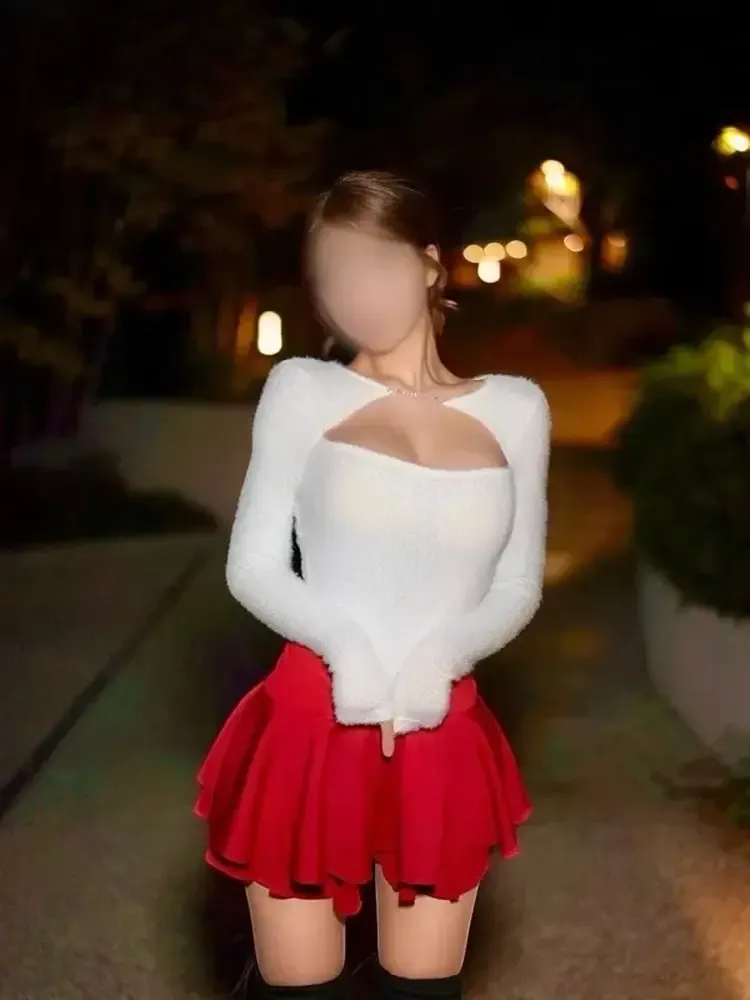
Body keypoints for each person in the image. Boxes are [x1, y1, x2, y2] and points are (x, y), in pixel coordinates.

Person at [195, 171, 550, 1000]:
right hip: (311, 721)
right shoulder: (304, 389)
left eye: (376, 262)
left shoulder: (517, 409)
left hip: (441, 726)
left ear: (429, 264)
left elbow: (518, 583)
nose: (356, 290)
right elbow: (252, 565)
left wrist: (441, 658)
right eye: (334, 273)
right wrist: (346, 650)